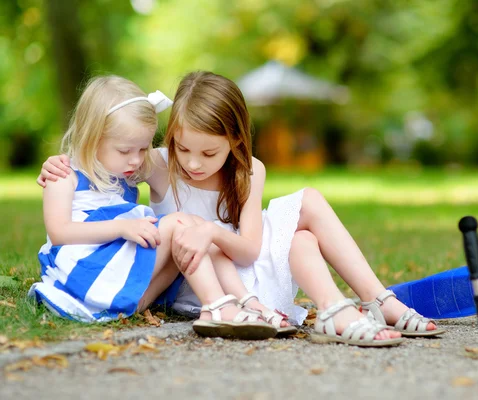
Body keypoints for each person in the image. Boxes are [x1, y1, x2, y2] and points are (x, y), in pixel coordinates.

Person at [39, 71, 444, 346]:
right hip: (204, 279)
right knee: (292, 235)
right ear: (173, 138)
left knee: (307, 216)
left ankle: (368, 303)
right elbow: (104, 157)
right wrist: (55, 165)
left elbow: (249, 249)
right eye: (183, 147)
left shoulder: (249, 172)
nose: (193, 163)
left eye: (209, 152)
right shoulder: (157, 164)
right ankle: (339, 312)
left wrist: (212, 230)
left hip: (242, 262)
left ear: (235, 140)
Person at [31, 75, 277, 340]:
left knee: (193, 232)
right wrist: (123, 227)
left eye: (143, 149)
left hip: (125, 289)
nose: (136, 160)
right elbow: (59, 233)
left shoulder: (122, 173)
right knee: (181, 223)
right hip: (88, 275)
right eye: (125, 150)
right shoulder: (65, 175)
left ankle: (241, 301)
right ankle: (217, 306)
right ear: (92, 137)